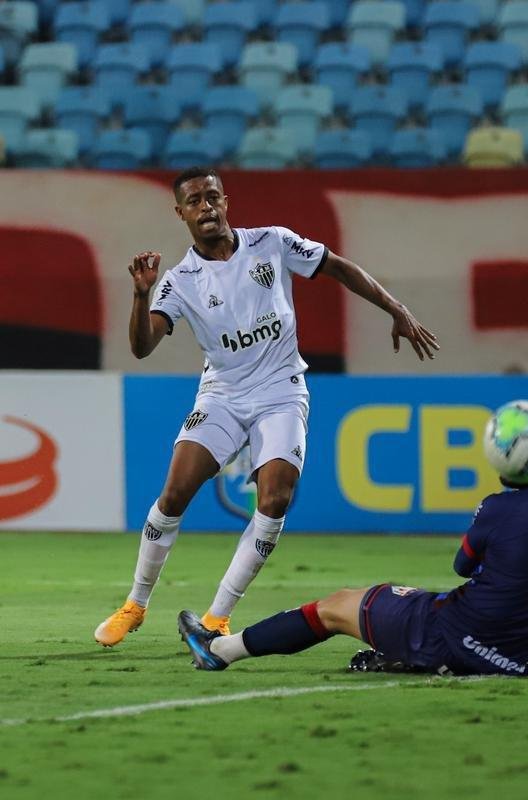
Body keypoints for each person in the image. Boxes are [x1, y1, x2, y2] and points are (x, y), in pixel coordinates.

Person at [94, 167, 439, 647]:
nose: (206, 207)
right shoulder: (180, 281)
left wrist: (397, 309)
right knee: (173, 495)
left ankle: (216, 619)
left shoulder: (272, 243)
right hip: (222, 396)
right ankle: (135, 604)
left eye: (212, 197)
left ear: (226, 201)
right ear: (181, 213)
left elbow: (337, 266)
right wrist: (139, 294)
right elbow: (141, 347)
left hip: (281, 391)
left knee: (275, 499)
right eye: (194, 201)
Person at [177, 402, 528, 679]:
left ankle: (219, 649)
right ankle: (419, 657)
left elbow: (461, 566)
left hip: (457, 635)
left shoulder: (497, 509)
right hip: (522, 658)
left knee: (338, 606)